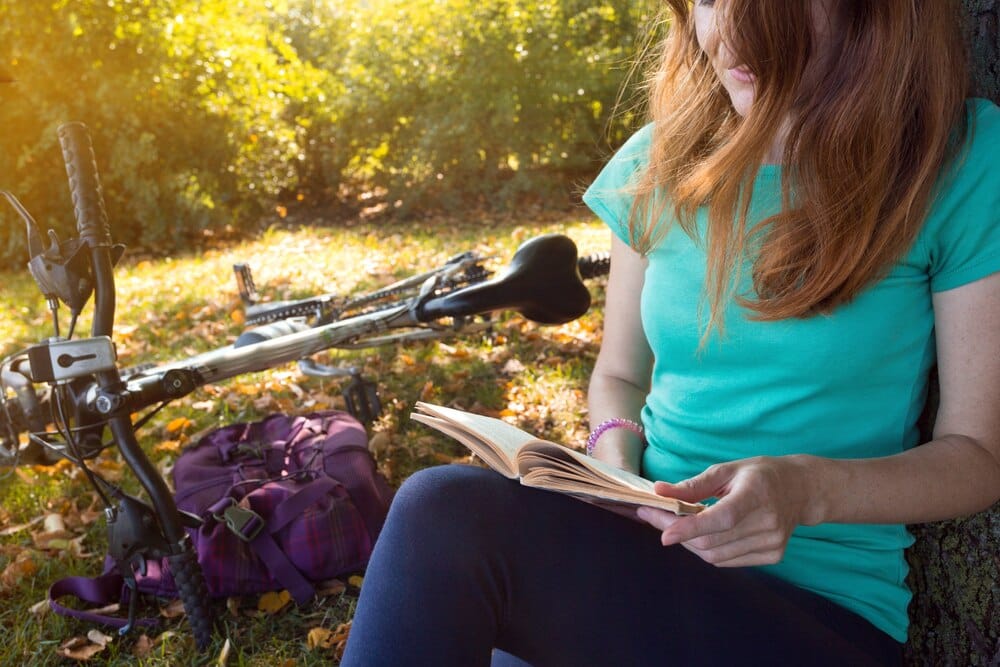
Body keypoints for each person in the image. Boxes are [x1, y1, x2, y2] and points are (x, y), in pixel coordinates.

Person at [342, 1, 1000, 665]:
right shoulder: (656, 163)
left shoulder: (957, 160)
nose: (727, 34)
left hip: (815, 616)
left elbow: (978, 454)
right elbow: (620, 376)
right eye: (708, 0)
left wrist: (804, 489)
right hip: (639, 566)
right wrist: (613, 469)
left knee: (444, 510)